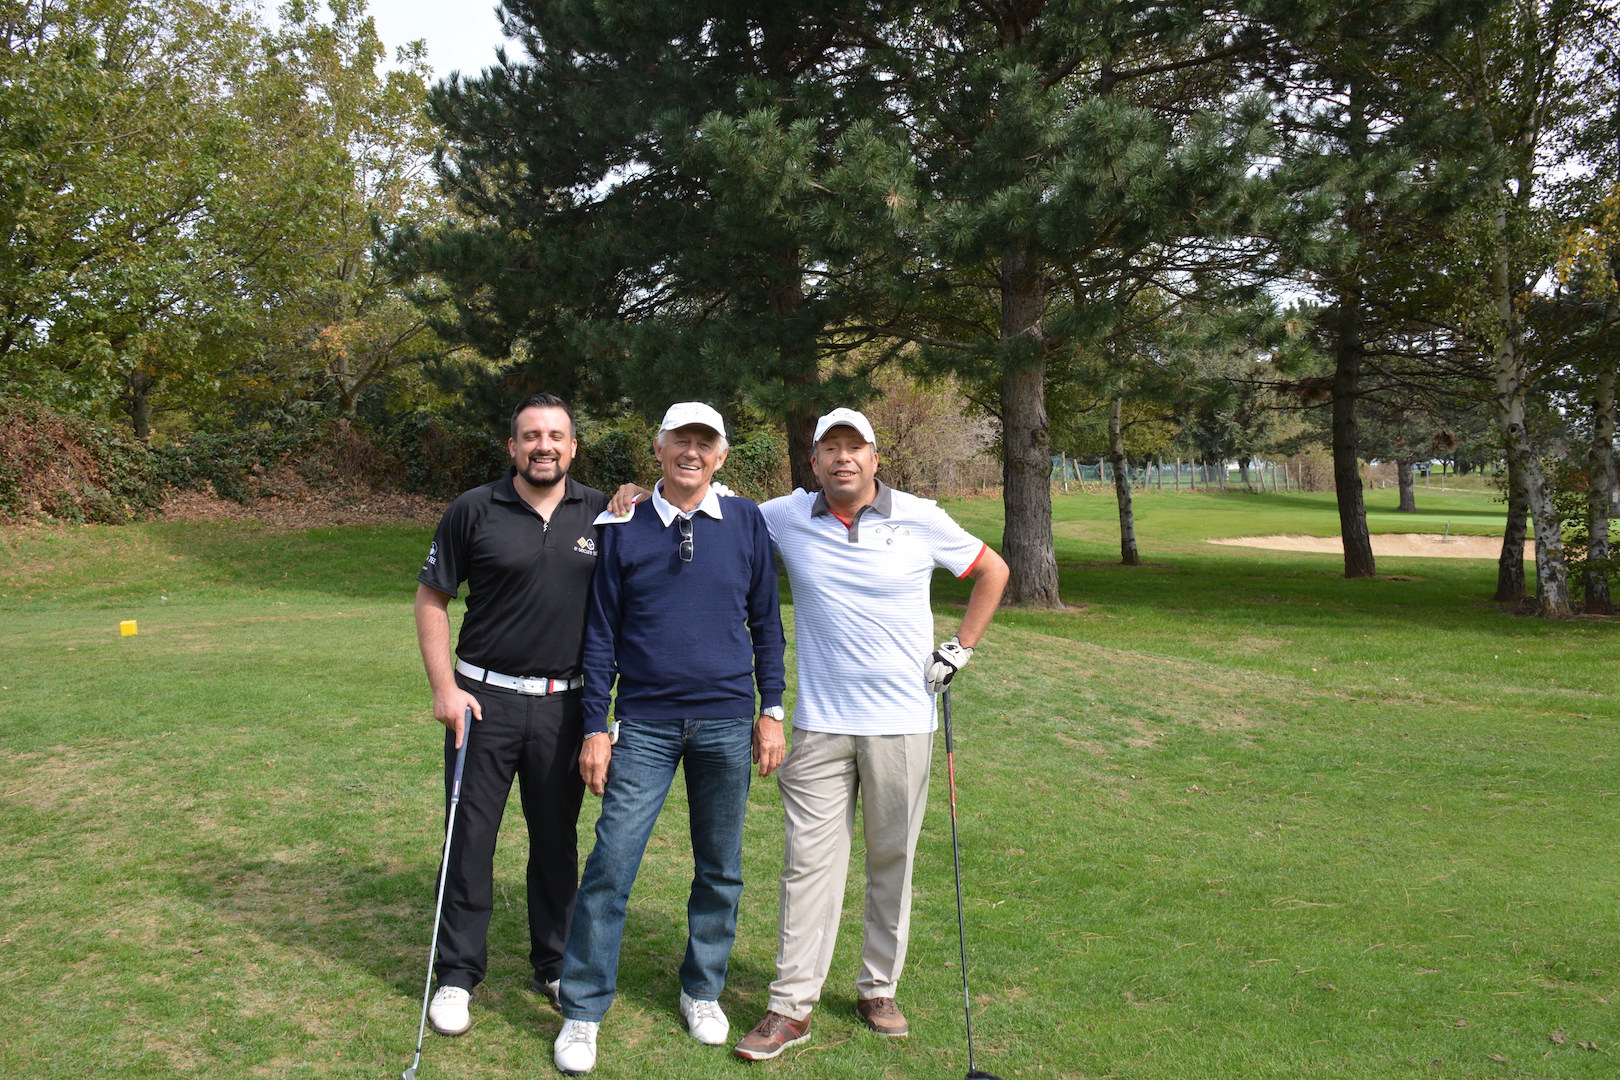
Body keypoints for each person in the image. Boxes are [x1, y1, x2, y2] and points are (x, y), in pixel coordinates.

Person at [730, 407, 1009, 1061]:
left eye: (855, 449)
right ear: (816, 461)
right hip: (820, 725)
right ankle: (789, 1007)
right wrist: (636, 494)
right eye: (831, 448)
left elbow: (992, 570)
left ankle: (877, 987)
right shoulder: (786, 515)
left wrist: (960, 648)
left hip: (903, 724)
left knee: (893, 862)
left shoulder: (918, 517)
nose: (843, 459)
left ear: (875, 460)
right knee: (808, 868)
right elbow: (712, 509)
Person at [552, 402, 787, 1076]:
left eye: (704, 442)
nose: (691, 451)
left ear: (721, 455)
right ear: (658, 449)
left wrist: (772, 709)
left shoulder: (745, 521)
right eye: (679, 439)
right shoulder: (622, 523)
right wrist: (596, 724)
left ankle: (702, 990)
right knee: (611, 864)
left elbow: (767, 624)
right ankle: (584, 1008)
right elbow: (599, 635)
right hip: (646, 722)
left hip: (723, 719)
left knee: (720, 864)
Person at [414, 393, 607, 1038]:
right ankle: (457, 974)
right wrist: (444, 689)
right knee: (469, 840)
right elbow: (432, 598)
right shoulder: (474, 509)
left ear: (573, 447)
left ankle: (553, 964)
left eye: (555, 435)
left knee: (556, 843)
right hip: (482, 703)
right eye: (530, 436)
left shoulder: (604, 512)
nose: (543, 446)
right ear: (512, 446)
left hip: (565, 705)